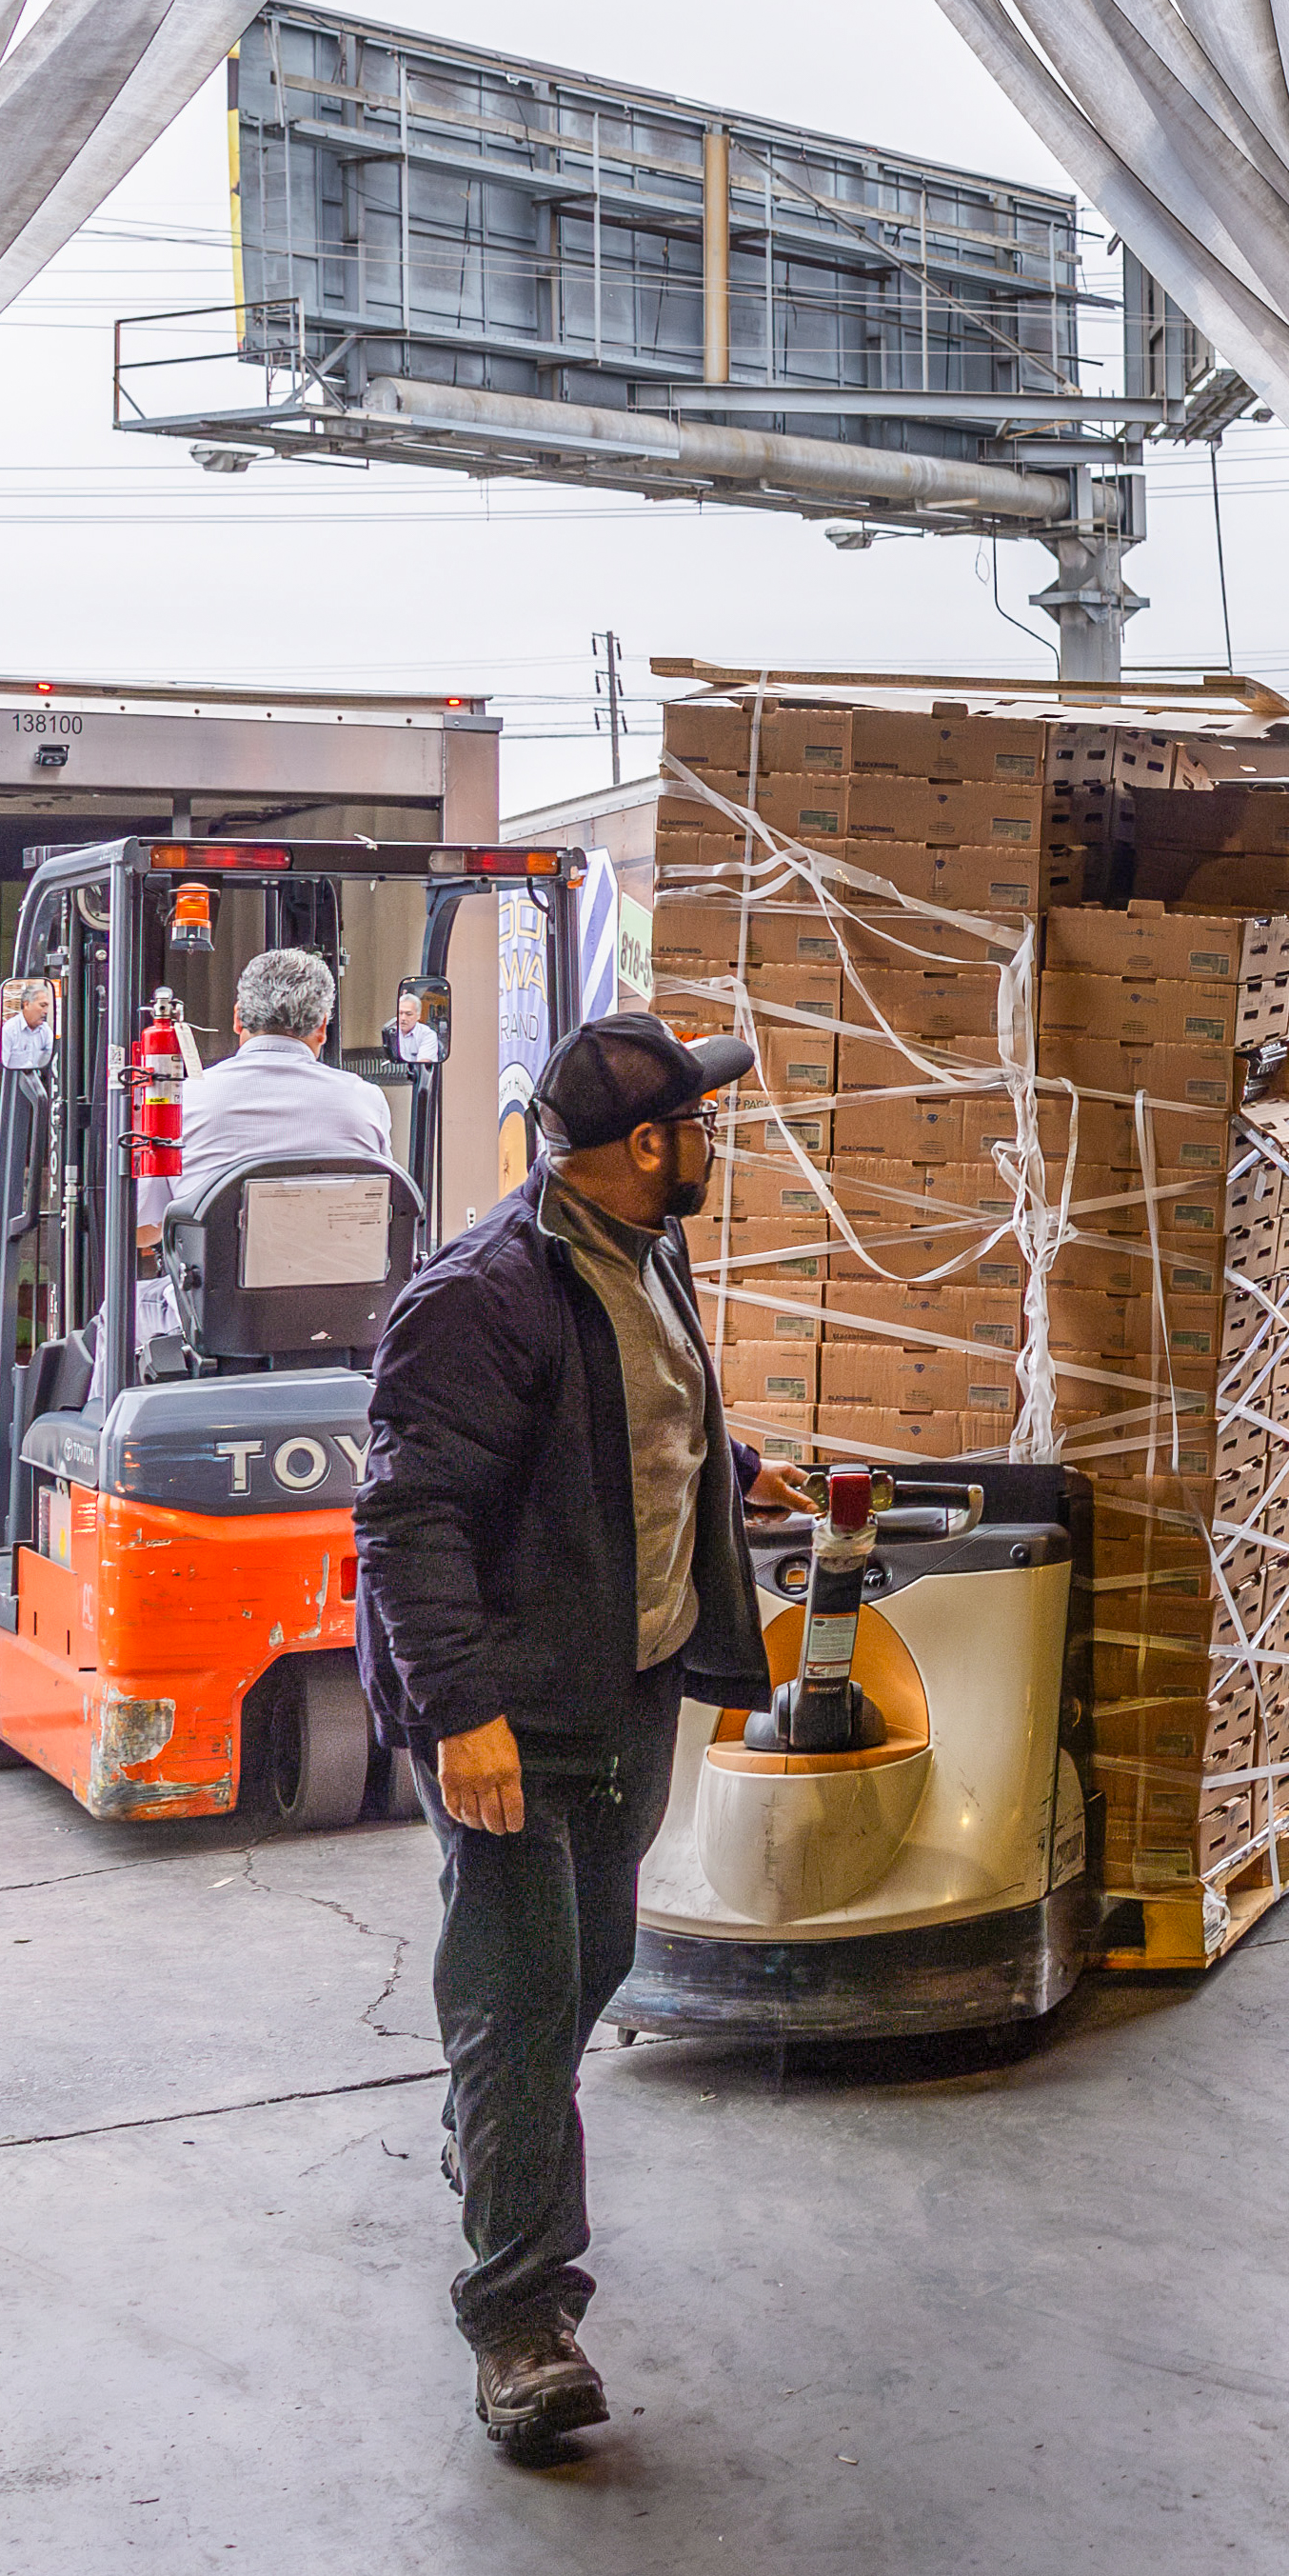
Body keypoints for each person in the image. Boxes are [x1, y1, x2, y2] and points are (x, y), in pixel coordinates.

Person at [354, 1010, 803, 2458]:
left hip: (628, 1683)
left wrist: (726, 1465)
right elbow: (407, 1519)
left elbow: (624, 1405)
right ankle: (521, 2322)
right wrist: (462, 1716)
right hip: (510, 1710)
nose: (717, 1143)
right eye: (699, 1124)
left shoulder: (637, 1252)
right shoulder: (480, 1295)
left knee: (586, 1963)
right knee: (524, 1995)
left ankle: (495, 2130)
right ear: (645, 1146)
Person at [173, 946, 401, 1201]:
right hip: (334, 1242)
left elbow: (144, 1228)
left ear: (237, 1018)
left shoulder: (183, 1100)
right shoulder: (367, 1100)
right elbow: (382, 1204)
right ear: (322, 1026)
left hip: (216, 1243)